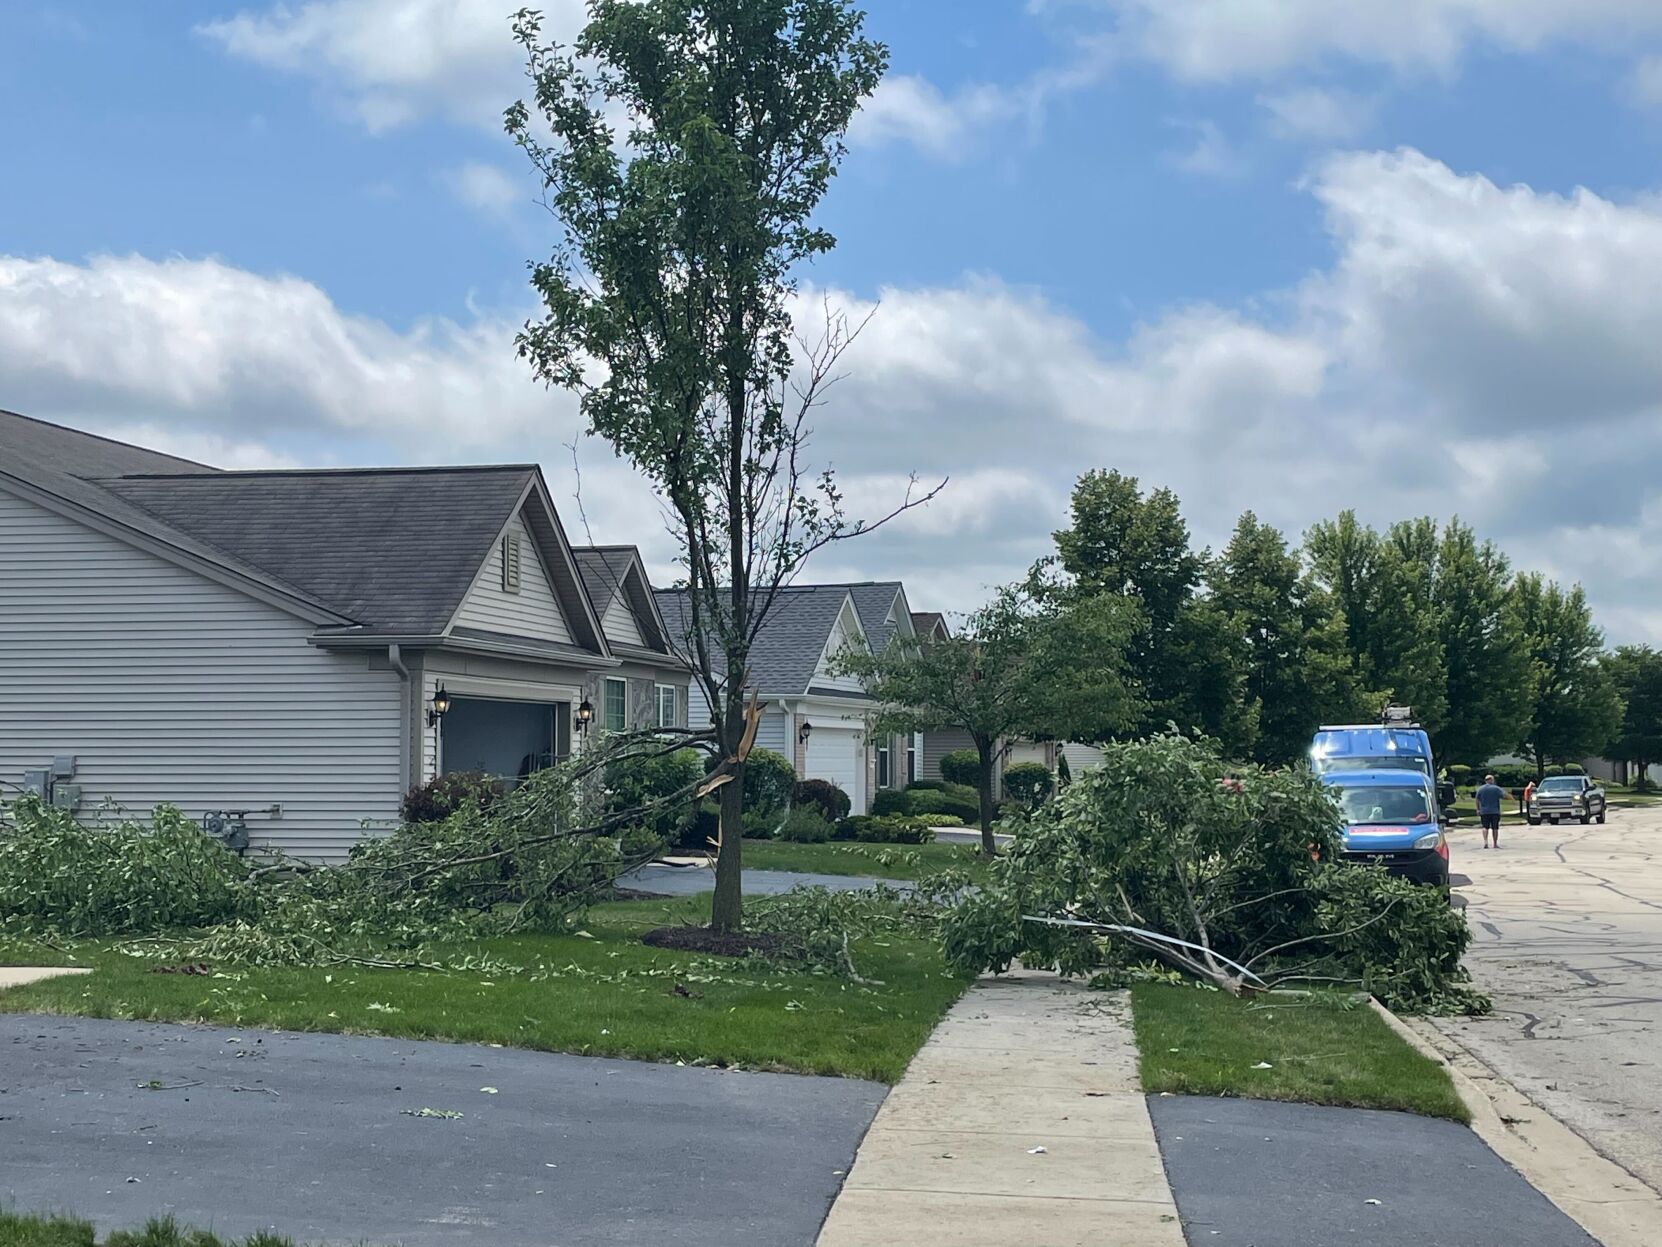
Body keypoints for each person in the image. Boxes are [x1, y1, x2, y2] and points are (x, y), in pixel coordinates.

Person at [1475, 773, 1506, 849]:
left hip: (1484, 811)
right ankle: (1495, 843)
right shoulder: (1496, 788)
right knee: (1495, 828)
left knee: (1485, 827)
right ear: (1491, 780)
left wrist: (1478, 809)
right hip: (1495, 811)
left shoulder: (1480, 789)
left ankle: (1485, 842)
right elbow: (1504, 796)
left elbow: (1477, 800)